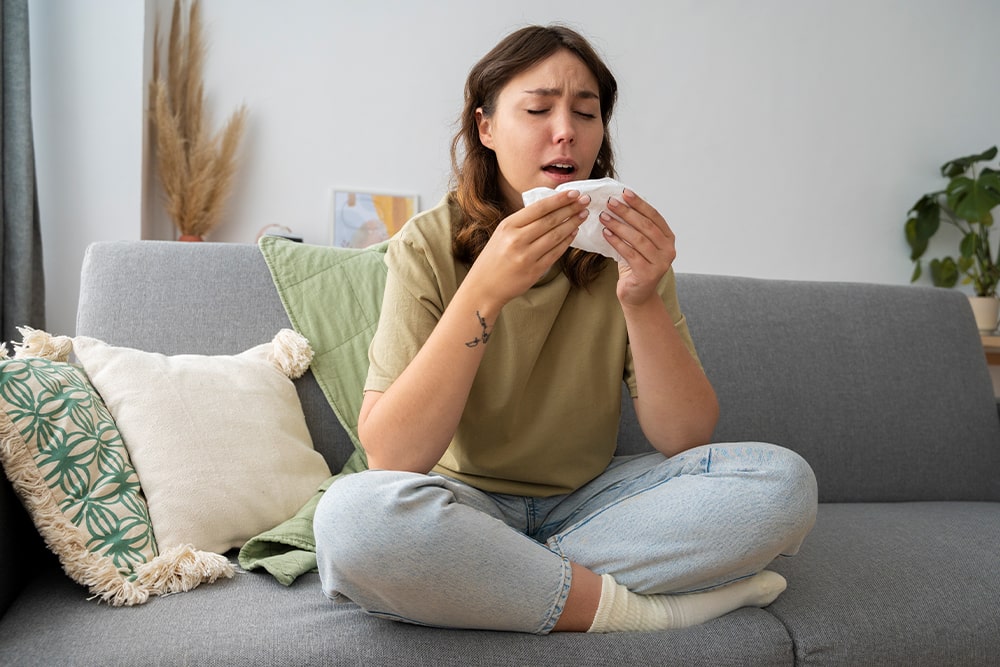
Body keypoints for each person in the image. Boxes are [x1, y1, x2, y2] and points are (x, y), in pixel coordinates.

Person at [314, 24, 817, 635]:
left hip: (594, 500)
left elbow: (686, 436)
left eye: (587, 112)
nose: (566, 130)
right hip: (464, 503)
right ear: (486, 128)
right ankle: (641, 611)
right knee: (353, 520)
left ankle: (494, 583)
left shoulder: (625, 244)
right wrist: (485, 290)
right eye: (538, 109)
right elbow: (392, 457)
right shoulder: (427, 243)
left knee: (783, 484)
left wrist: (641, 299)